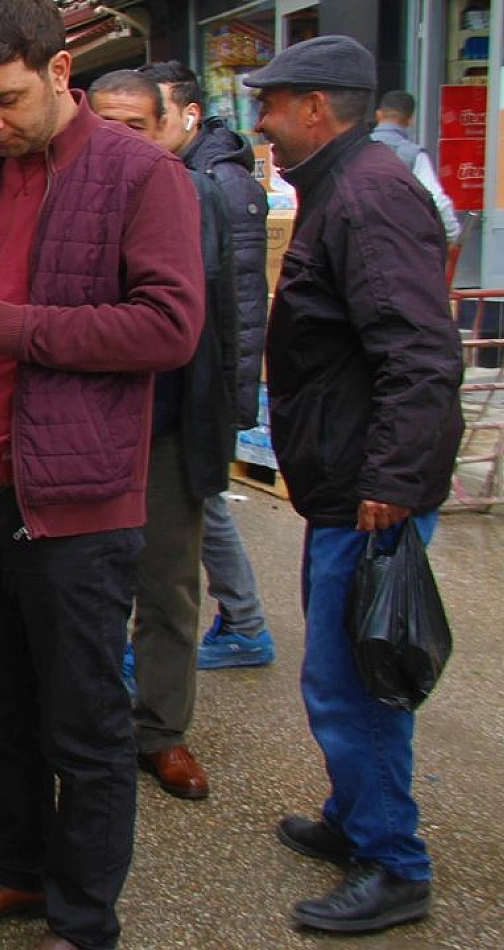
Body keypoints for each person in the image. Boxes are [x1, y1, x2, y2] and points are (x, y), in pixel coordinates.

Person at [0, 2, 204, 946]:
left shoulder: (142, 176)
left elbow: (170, 327)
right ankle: (20, 875)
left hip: (76, 505)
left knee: (86, 728)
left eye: (5, 100)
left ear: (60, 68)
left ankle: (83, 920)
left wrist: (13, 328)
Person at [245, 35, 462, 935]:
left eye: (272, 103)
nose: (259, 121)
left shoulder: (368, 197)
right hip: (346, 482)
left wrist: (394, 481)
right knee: (340, 669)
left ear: (317, 108)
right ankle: (355, 818)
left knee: (356, 679)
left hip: (369, 491)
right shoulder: (344, 188)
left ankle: (392, 862)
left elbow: (419, 351)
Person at [89, 69, 239, 803]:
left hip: (172, 425)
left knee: (171, 588)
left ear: (166, 131)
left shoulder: (199, 196)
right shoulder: (65, 196)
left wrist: (229, 421)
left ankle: (162, 731)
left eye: (136, 127)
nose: (120, 141)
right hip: (86, 429)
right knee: (86, 588)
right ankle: (91, 727)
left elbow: (233, 315)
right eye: (106, 124)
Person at [137, 59, 276, 671]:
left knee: (200, 507)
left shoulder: (214, 184)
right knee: (201, 508)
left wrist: (228, 400)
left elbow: (236, 305)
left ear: (185, 115)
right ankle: (242, 622)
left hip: (199, 386)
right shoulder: (191, 173)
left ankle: (245, 625)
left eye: (149, 116)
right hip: (195, 384)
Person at [372, 90, 463, 243]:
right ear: (410, 121)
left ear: (378, 115)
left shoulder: (355, 149)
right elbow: (437, 201)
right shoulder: (413, 155)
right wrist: (453, 235)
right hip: (399, 246)